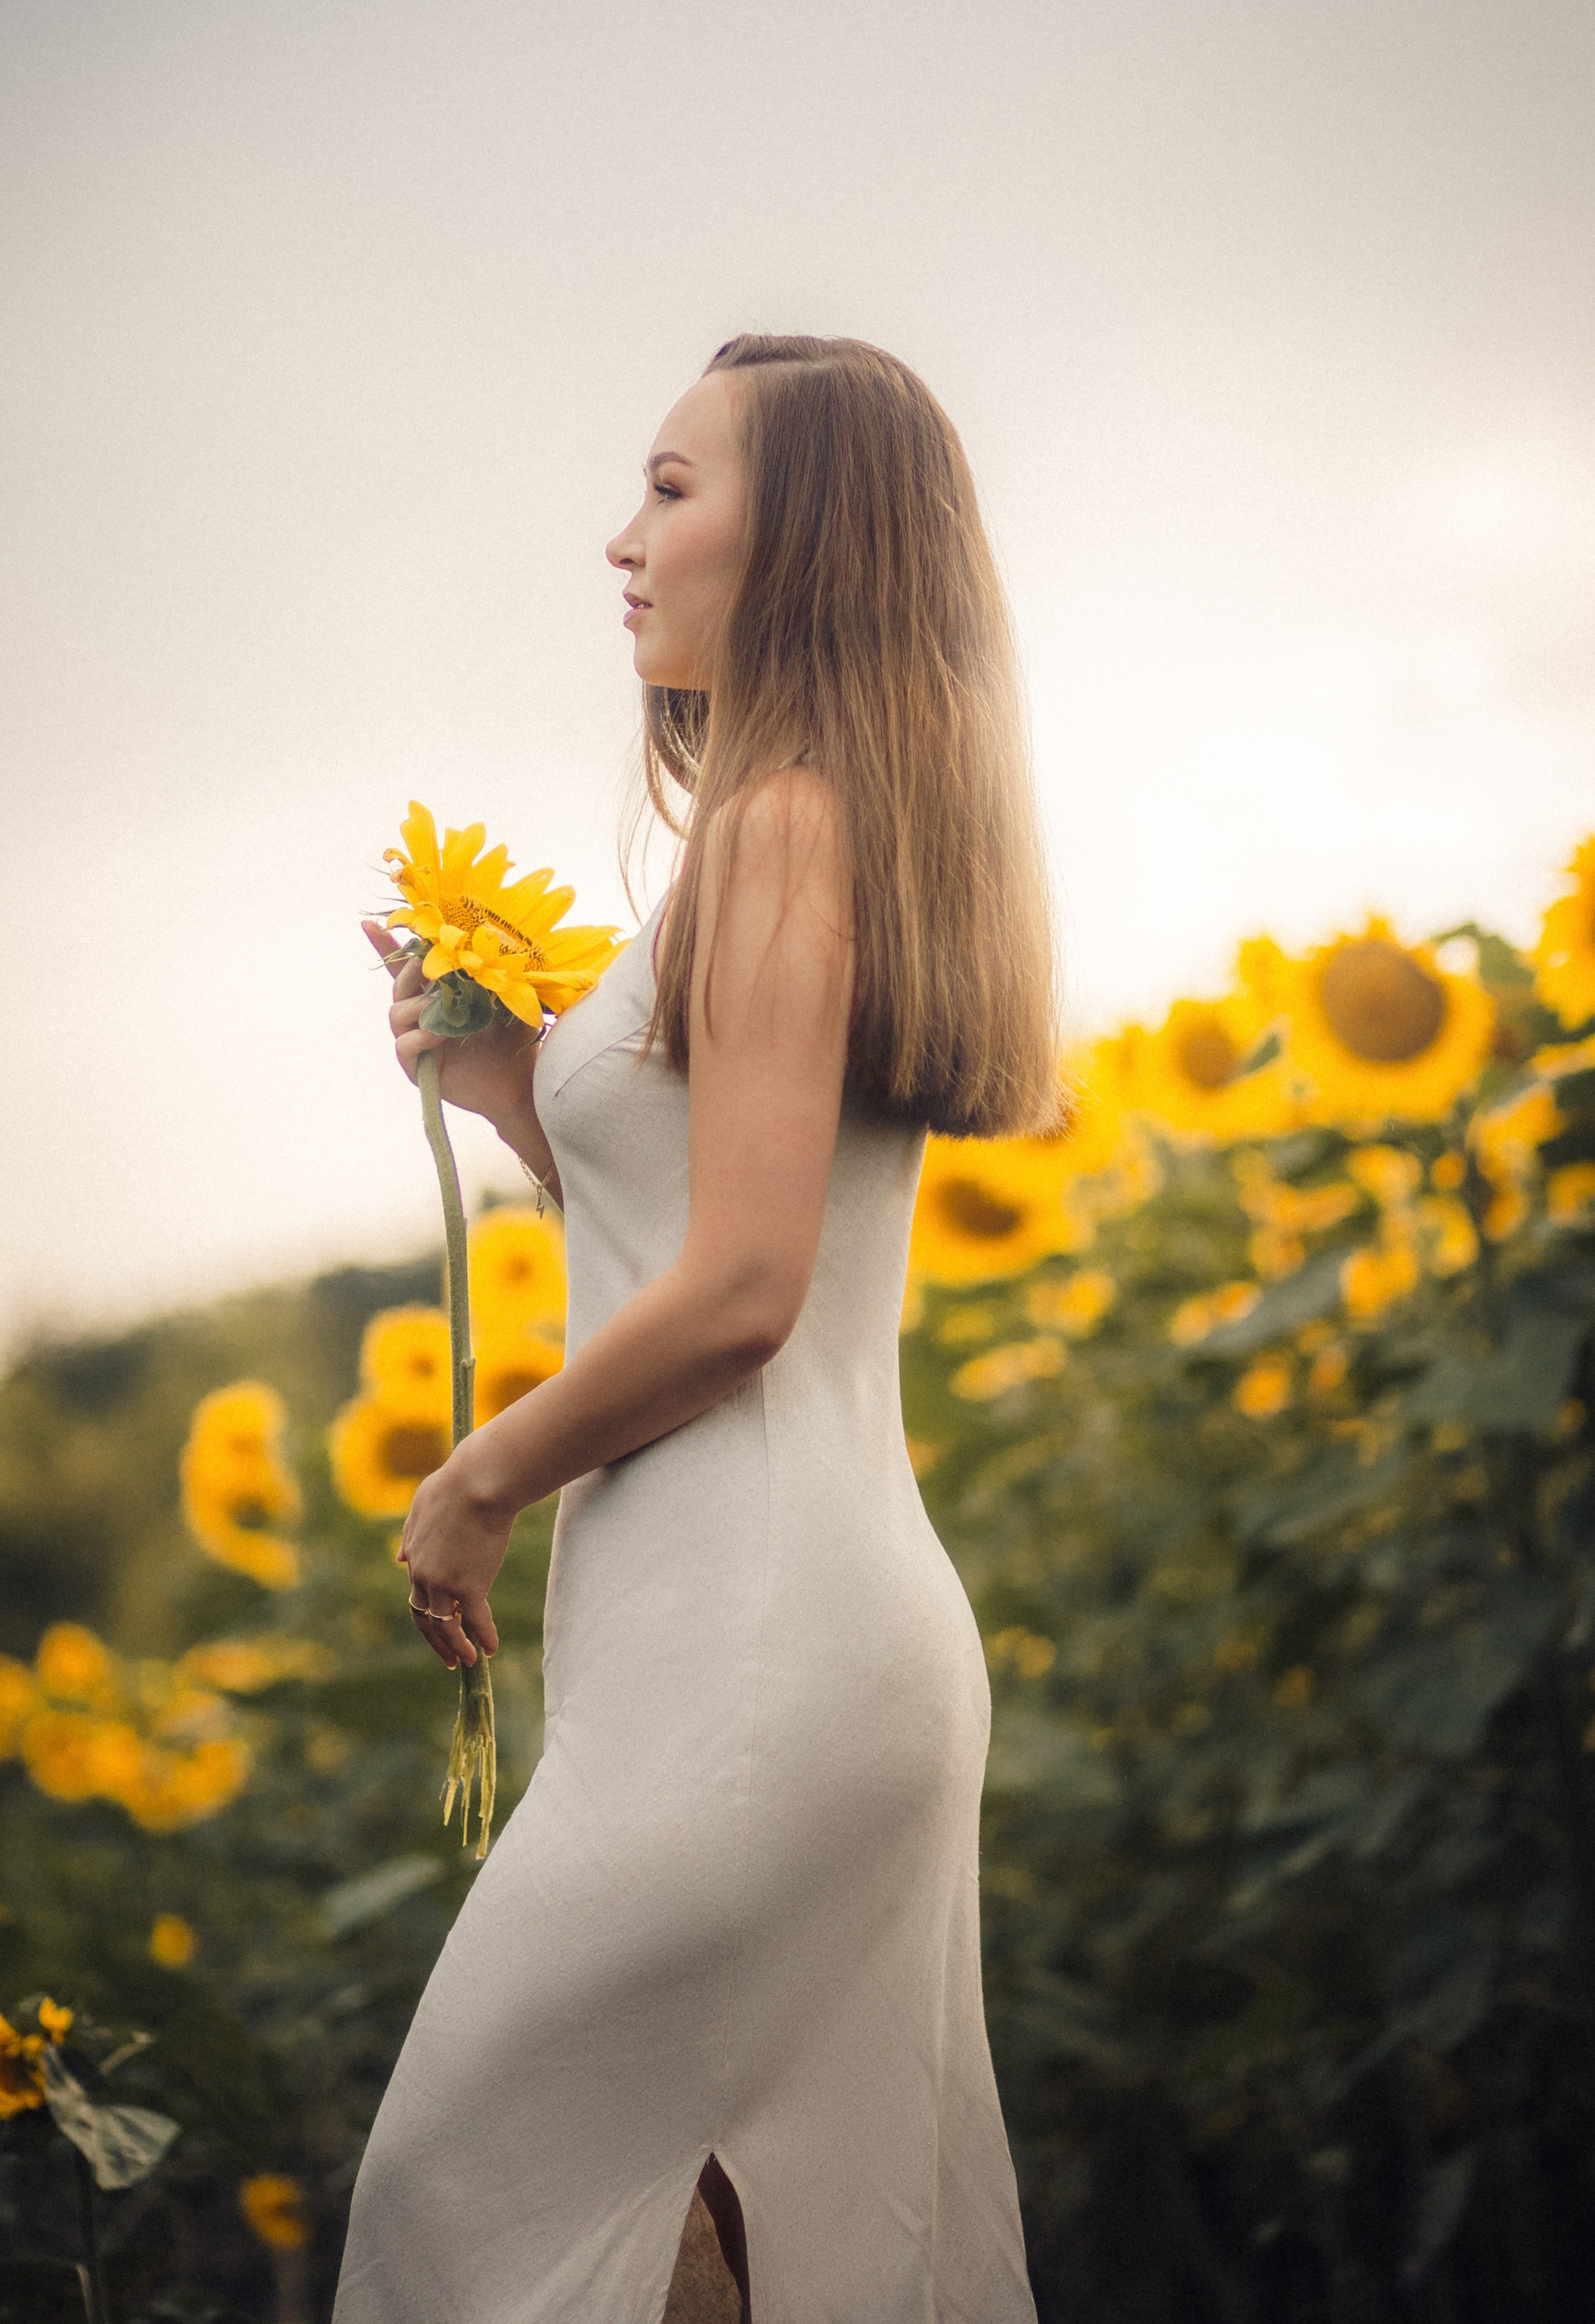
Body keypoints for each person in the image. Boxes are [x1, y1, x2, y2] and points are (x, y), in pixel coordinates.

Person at [337, 334, 1059, 2323]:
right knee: (707, 2260)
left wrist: (478, 1479)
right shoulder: (810, 831)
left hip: (755, 1661)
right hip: (765, 1647)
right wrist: (510, 1098)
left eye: (672, 487)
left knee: (453, 2210)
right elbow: (713, 1241)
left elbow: (745, 1301)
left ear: (805, 534)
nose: (621, 541)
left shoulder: (778, 831)